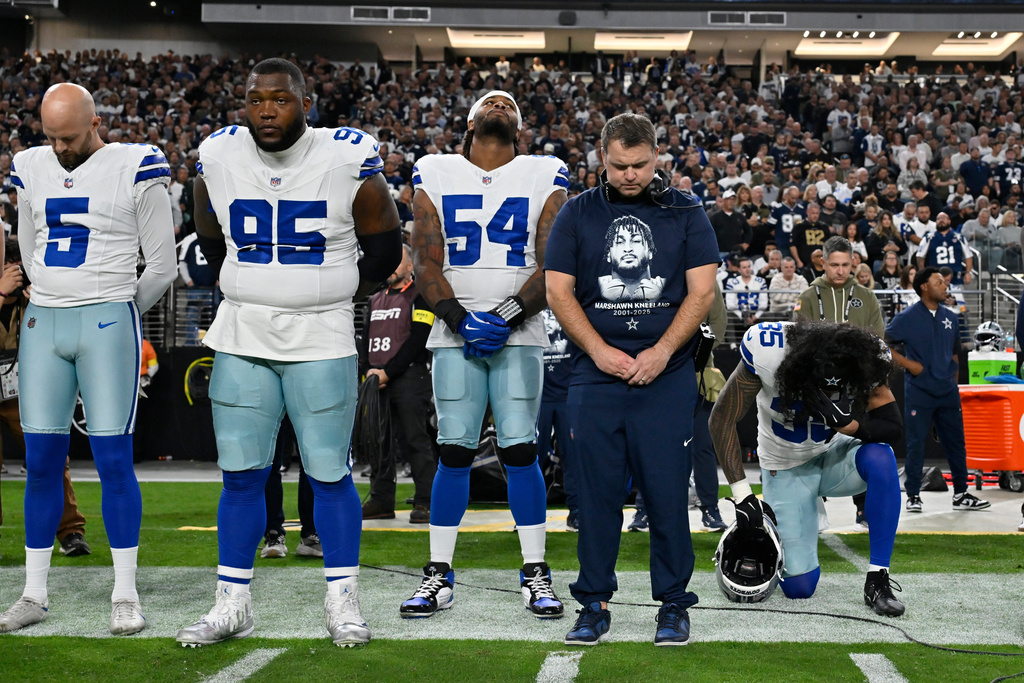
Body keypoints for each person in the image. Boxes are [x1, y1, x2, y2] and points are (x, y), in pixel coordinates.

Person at [175, 59, 402, 647]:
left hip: (320, 333)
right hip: (243, 331)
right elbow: (210, 240)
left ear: (306, 102)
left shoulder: (346, 158)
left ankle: (342, 600)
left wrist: (324, 294)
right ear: (244, 104)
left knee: (329, 473)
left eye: (280, 99)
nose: (267, 110)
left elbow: (382, 252)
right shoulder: (218, 158)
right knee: (241, 476)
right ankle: (232, 603)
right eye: (256, 100)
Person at [0, 83, 177, 635]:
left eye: (68, 136)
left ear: (95, 121)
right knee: (42, 465)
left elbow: (163, 266)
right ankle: (33, 593)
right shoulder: (30, 164)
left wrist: (118, 312)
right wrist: (54, 295)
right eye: (50, 136)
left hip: (105, 320)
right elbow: (29, 250)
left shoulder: (136, 163)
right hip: (44, 322)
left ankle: (125, 593)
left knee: (114, 462)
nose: (58, 147)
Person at [546, 112, 718, 646]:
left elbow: (702, 291)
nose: (628, 174)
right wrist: (598, 352)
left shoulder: (686, 211)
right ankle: (593, 604)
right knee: (595, 498)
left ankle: (672, 605)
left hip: (664, 378)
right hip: (594, 378)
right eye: (618, 165)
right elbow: (557, 291)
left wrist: (662, 352)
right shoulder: (576, 213)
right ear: (602, 157)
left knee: (667, 495)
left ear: (657, 156)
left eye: (640, 165)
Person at [401, 90, 567, 620]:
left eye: (508, 103)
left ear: (520, 128)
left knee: (520, 451)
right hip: (456, 332)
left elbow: (555, 260)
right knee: (453, 450)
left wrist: (508, 314)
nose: (499, 103)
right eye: (488, 101)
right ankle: (438, 574)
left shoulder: (545, 171)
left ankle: (535, 571)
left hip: (518, 333)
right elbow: (425, 259)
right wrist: (458, 319)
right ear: (468, 122)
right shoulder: (436, 169)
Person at [709, 320, 906, 617]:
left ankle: (878, 579)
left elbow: (892, 427)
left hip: (835, 455)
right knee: (799, 588)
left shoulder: (864, 355)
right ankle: (778, 515)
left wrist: (849, 425)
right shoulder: (770, 352)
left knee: (881, 457)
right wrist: (742, 494)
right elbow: (721, 419)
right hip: (785, 466)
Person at [0, 240, 91, 559]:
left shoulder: (37, 296)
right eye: (7, 263)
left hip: (26, 388)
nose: (14, 270)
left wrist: (38, 299)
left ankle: (70, 531)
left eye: (18, 264)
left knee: (51, 457)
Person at [885, 267, 991, 514]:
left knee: (956, 443)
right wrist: (910, 365)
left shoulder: (951, 317)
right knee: (916, 444)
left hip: (947, 392)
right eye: (940, 282)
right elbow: (883, 342)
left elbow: (955, 354)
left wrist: (953, 382)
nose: (946, 286)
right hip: (920, 391)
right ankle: (913, 495)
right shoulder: (907, 317)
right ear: (924, 287)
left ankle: (962, 493)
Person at [358, 243, 436, 524]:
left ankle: (426, 501)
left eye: (397, 261)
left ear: (410, 266)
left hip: (410, 379)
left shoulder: (421, 296)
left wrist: (387, 372)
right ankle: (381, 501)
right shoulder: (374, 299)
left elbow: (417, 340)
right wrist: (367, 370)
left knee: (416, 441)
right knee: (378, 443)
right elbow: (365, 340)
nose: (391, 266)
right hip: (376, 381)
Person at [794, 236, 885, 337]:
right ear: (823, 263)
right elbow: (799, 341)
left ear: (852, 262)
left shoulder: (868, 296)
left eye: (845, 265)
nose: (841, 272)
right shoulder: (807, 297)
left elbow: (878, 339)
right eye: (834, 265)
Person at [916, 211, 973, 285]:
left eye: (944, 218)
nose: (941, 220)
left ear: (949, 221)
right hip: (934, 277)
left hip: (955, 277)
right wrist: (923, 272)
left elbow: (968, 256)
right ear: (936, 222)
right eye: (939, 219)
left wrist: (968, 272)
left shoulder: (959, 238)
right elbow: (920, 256)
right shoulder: (928, 238)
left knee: (957, 296)